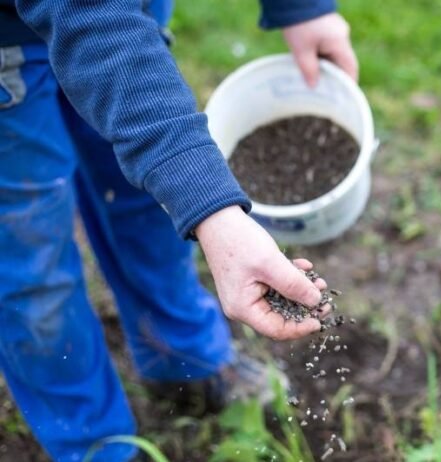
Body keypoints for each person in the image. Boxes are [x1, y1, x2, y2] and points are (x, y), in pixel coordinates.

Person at [0, 0, 358, 460]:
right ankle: (92, 442)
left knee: (148, 197)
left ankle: (182, 357)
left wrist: (300, 8)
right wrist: (214, 211)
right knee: (34, 258)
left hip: (130, 15)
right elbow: (93, 22)